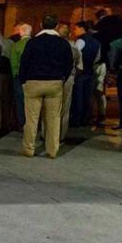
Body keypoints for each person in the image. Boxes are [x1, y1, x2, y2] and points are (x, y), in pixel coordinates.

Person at [19, 15, 73, 158]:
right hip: (54, 82)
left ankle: (29, 148)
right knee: (53, 119)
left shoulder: (32, 42)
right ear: (57, 26)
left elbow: (24, 63)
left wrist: (23, 81)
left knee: (31, 119)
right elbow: (69, 65)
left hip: (33, 82)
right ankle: (52, 150)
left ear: (41, 25)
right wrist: (62, 78)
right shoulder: (63, 43)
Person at [70, 21, 101, 127]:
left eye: (75, 28)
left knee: (78, 97)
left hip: (80, 73)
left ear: (82, 29)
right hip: (90, 72)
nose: (74, 31)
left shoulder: (80, 41)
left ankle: (76, 120)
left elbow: (75, 55)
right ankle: (85, 119)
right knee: (87, 97)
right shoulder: (96, 42)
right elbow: (97, 58)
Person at [57, 23, 82, 141]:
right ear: (69, 34)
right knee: (65, 108)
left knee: (50, 107)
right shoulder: (74, 49)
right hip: (69, 79)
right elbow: (80, 67)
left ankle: (47, 133)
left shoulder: (53, 46)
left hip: (53, 78)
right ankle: (61, 134)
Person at [10, 23, 32, 128]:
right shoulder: (34, 44)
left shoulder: (16, 45)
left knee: (20, 100)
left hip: (19, 76)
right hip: (32, 76)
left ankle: (22, 122)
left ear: (20, 32)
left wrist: (14, 74)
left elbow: (13, 63)